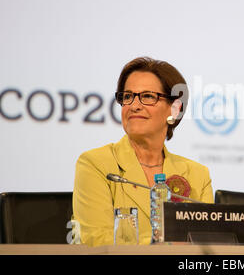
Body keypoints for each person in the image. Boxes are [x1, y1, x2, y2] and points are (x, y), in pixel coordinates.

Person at [73, 56, 214, 246]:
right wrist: (166, 244)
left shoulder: (198, 175)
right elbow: (97, 241)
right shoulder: (96, 164)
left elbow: (205, 245)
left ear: (174, 109)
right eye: (128, 96)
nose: (134, 105)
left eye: (148, 96)